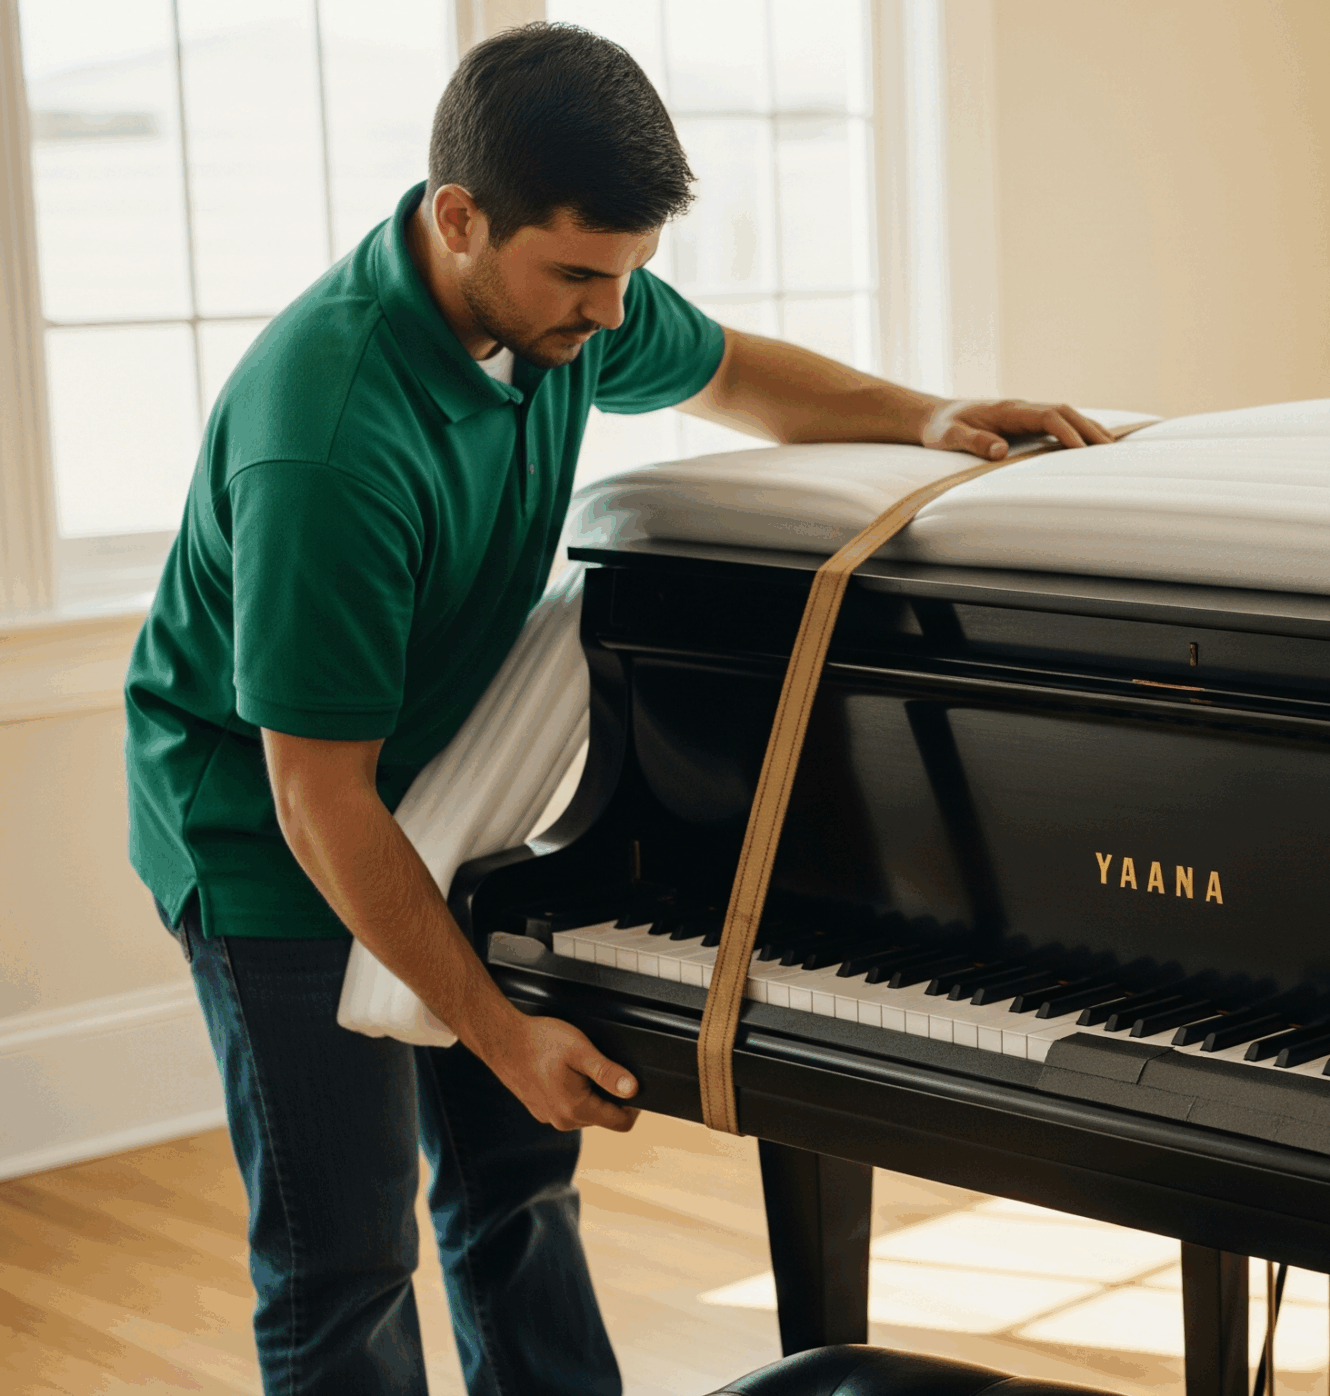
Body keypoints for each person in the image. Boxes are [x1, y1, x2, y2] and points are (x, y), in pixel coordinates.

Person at [123, 23, 1112, 1396]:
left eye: (627, 276)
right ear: (458, 218)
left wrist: (930, 414)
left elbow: (736, 375)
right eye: (581, 275)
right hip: (269, 838)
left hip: (452, 791)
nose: (607, 310)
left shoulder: (557, 297)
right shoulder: (330, 440)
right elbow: (318, 799)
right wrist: (502, 1030)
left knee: (515, 1189)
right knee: (341, 1258)